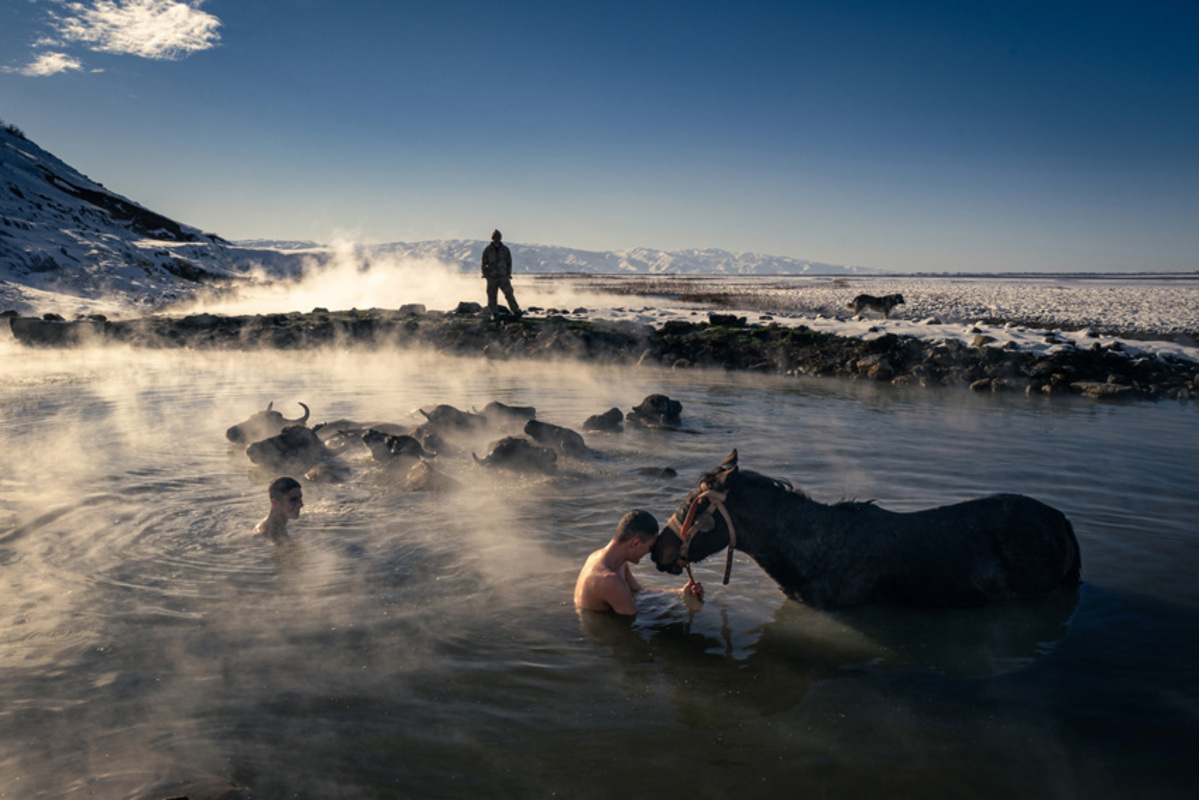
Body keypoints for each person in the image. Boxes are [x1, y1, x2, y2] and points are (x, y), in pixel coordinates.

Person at [574, 509, 704, 616]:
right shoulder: (610, 581)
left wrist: (680, 592)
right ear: (635, 543)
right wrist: (686, 612)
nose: (649, 553)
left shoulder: (602, 557)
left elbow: (638, 590)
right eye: (650, 547)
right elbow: (634, 620)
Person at [480, 229, 522, 320]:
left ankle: (516, 310)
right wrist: (486, 274)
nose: (496, 239)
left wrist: (508, 274)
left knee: (509, 294)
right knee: (492, 296)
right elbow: (483, 263)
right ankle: (494, 313)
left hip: (503, 276)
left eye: (498, 237)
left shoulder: (505, 249)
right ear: (492, 238)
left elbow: (509, 262)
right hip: (492, 277)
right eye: (495, 237)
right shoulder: (488, 250)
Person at [254, 476, 304, 541]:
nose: (301, 504)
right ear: (275, 502)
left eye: (300, 498)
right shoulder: (267, 536)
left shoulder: (277, 527)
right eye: (293, 500)